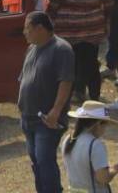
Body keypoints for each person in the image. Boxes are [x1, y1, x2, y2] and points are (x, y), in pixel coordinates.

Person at [18, 11, 75, 193]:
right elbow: (24, 78)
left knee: (45, 160)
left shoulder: (61, 49)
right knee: (36, 161)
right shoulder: (31, 49)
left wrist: (56, 111)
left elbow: (66, 81)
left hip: (46, 120)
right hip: (28, 117)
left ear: (40, 28)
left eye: (27, 28)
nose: (24, 32)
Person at [60, 100, 118, 193]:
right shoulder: (95, 145)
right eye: (105, 124)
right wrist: (115, 169)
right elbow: (102, 178)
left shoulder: (67, 140)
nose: (105, 129)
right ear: (98, 124)